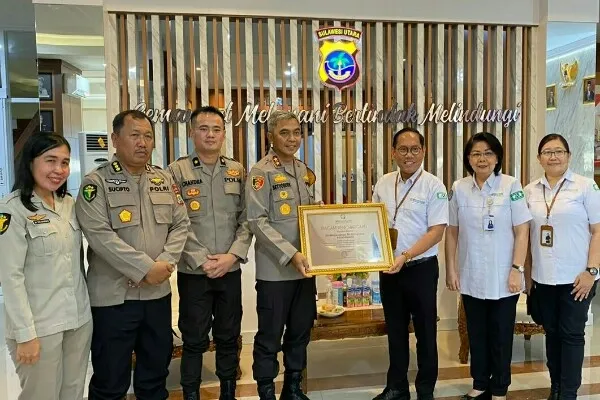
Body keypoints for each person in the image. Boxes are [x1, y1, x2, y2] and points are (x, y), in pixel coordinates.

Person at [75, 109, 205, 400]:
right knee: (110, 381)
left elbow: (180, 224)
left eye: (148, 136)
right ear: (115, 139)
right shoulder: (95, 184)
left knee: (155, 377)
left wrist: (166, 263)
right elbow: (100, 236)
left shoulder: (163, 178)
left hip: (156, 298)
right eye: (135, 135)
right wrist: (146, 268)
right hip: (113, 299)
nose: (143, 143)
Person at [168, 106, 253, 400]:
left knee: (228, 337)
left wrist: (232, 256)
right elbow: (176, 221)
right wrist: (202, 259)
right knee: (193, 339)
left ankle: (228, 392)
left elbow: (247, 218)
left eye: (216, 129)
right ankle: (191, 393)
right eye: (203, 128)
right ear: (192, 133)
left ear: (224, 134)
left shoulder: (237, 170)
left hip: (229, 269)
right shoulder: (176, 171)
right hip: (194, 271)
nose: (210, 134)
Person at [0, 132, 92, 399]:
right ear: (30, 162)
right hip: (39, 327)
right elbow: (11, 276)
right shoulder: (12, 210)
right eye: (50, 160)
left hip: (78, 321)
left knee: (73, 393)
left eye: (64, 162)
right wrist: (25, 335)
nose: (58, 170)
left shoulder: (69, 204)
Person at [445, 132, 531, 400]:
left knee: (501, 335)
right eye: (476, 154)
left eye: (488, 153)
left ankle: (500, 388)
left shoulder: (511, 185)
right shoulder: (459, 188)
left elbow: (523, 230)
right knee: (477, 332)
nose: (482, 159)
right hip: (471, 275)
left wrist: (517, 269)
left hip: (505, 276)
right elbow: (451, 231)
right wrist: (451, 268)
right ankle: (480, 382)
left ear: (497, 158)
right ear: (468, 159)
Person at [371, 128, 448, 400]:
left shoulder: (434, 186)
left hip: (421, 269)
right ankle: (397, 387)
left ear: (423, 152)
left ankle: (425, 390)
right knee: (395, 330)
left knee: (426, 332)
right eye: (402, 149)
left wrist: (405, 256)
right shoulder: (383, 183)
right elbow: (374, 223)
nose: (409, 155)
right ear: (393, 153)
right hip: (389, 270)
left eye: (415, 149)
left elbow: (436, 231)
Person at [246, 110, 318, 400]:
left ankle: (292, 387)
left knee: (300, 331)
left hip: (305, 270)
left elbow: (310, 217)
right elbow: (256, 221)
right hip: (276, 271)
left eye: (297, 132)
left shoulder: (304, 171)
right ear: (270, 137)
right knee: (269, 336)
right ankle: (266, 390)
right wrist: (291, 254)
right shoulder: (261, 173)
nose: (292, 139)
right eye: (284, 133)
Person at [524, 133, 600, 400]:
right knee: (552, 333)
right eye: (547, 152)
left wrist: (592, 271)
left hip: (577, 278)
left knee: (571, 335)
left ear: (568, 156)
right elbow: (526, 236)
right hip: (543, 277)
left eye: (558, 151)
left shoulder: (585, 187)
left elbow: (598, 231)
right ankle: (555, 388)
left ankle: (568, 393)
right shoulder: (529, 191)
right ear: (539, 158)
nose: (553, 156)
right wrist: (527, 277)